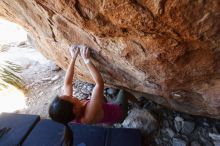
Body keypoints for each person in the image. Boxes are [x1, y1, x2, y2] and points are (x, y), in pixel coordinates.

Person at [49, 44, 139, 146]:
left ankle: (106, 120)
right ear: (74, 109)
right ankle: (139, 103)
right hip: (118, 112)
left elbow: (67, 83)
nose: (70, 95)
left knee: (102, 100)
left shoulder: (70, 113)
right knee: (123, 91)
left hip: (101, 113)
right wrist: (87, 60)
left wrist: (73, 57)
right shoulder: (88, 115)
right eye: (71, 98)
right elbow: (99, 83)